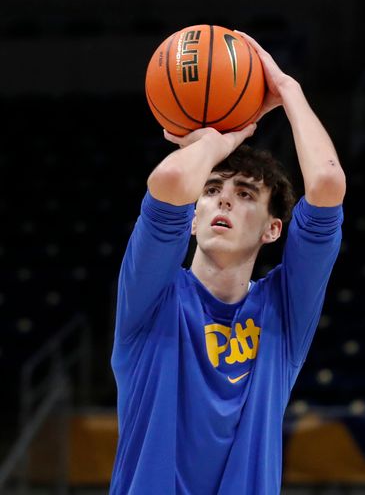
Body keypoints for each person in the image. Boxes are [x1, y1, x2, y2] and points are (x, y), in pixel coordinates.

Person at [109, 30, 346, 494]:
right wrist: (227, 137)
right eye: (213, 191)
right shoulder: (153, 298)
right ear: (191, 220)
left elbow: (328, 186)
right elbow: (174, 177)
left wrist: (288, 92)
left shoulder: (283, 309)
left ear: (272, 229)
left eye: (244, 194)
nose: (224, 203)